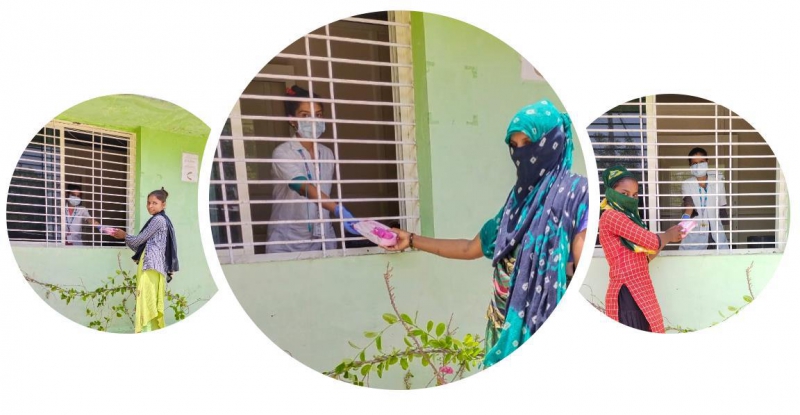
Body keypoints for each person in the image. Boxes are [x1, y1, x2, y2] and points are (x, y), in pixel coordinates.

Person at [385, 100, 589, 368]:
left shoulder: (576, 194)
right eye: (514, 146)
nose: (521, 153)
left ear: (553, 142)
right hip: (502, 326)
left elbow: (581, 262)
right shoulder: (516, 203)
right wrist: (411, 239)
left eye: (528, 142)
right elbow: (470, 248)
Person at [267, 85, 358, 253]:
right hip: (289, 241)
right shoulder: (283, 152)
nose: (313, 121)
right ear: (292, 119)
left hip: (324, 239)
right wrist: (337, 209)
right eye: (305, 115)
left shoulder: (327, 153)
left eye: (318, 115)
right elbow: (302, 187)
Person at [598, 165, 685, 333]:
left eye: (635, 195)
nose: (630, 198)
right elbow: (651, 242)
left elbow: (645, 256)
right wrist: (667, 235)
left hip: (640, 290)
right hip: (627, 294)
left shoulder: (629, 219)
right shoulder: (612, 216)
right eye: (624, 194)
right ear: (611, 192)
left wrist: (667, 238)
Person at [111, 187, 178, 333]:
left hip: (150, 266)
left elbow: (138, 241)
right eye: (148, 203)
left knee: (146, 303)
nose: (150, 206)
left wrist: (124, 236)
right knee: (151, 302)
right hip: (155, 266)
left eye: (154, 203)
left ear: (163, 205)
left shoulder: (158, 220)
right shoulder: (161, 220)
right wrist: (126, 238)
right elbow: (141, 245)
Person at [680, 147, 730, 250]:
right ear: (690, 166)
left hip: (715, 232)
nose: (698, 165)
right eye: (694, 163)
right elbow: (689, 206)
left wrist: (723, 225)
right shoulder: (687, 184)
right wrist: (684, 222)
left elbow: (722, 208)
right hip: (695, 234)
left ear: (707, 161)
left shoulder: (718, 183)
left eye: (702, 161)